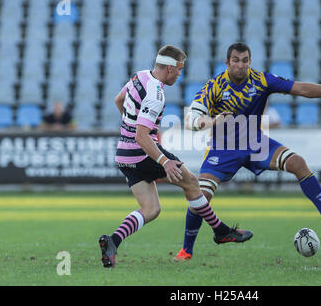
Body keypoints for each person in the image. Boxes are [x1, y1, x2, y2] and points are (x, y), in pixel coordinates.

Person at [173, 42, 321, 261]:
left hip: (256, 144)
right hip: (223, 149)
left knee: (298, 163)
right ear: (227, 62)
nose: (240, 65)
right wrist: (212, 121)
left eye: (245, 60)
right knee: (201, 196)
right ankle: (186, 250)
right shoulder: (214, 86)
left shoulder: (261, 80)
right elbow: (190, 120)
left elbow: (301, 88)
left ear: (250, 62)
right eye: (235, 60)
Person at [98, 45, 253, 268]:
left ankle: (113, 241)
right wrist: (164, 161)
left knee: (151, 209)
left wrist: (130, 124)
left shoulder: (139, 76)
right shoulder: (157, 94)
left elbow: (118, 100)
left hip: (124, 154)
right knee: (191, 182)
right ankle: (221, 231)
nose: (180, 74)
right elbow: (142, 137)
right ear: (170, 68)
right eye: (179, 69)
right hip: (143, 152)